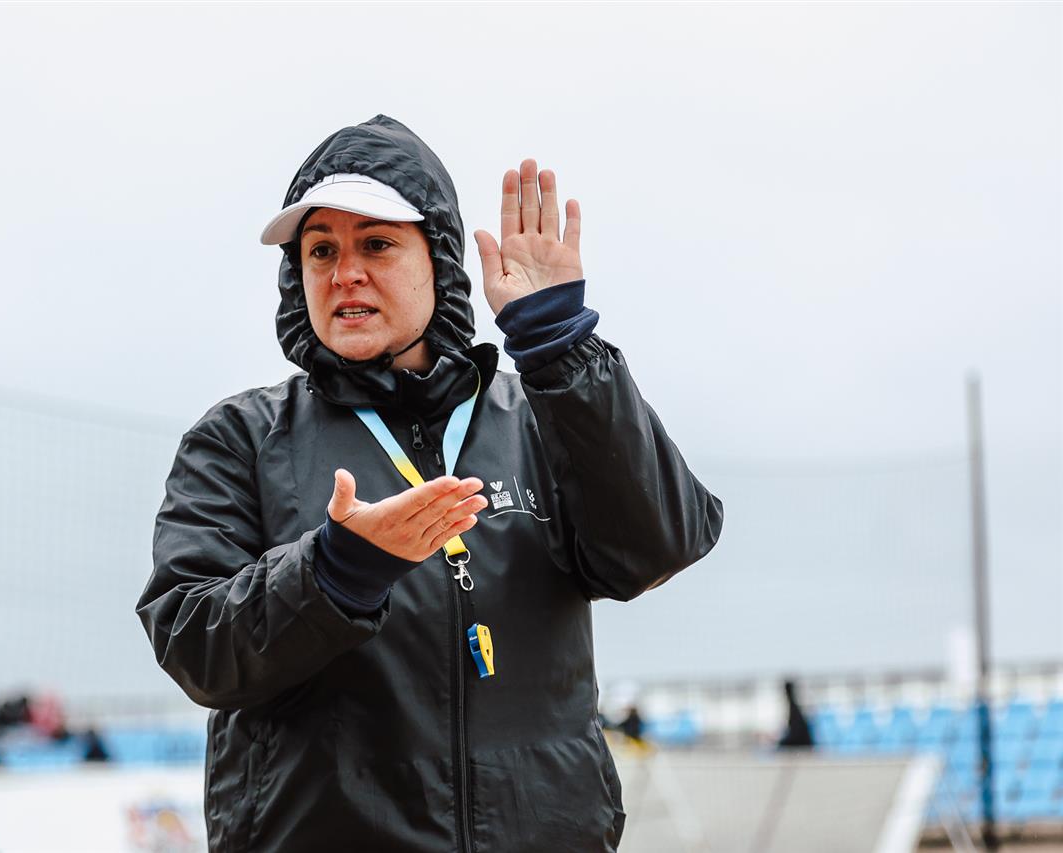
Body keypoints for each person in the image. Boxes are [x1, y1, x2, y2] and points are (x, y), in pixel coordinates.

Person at [137, 114, 723, 852]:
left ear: (440, 258)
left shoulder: (542, 414)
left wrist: (561, 349)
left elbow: (659, 545)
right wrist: (334, 574)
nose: (344, 272)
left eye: (376, 244)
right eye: (321, 250)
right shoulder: (240, 438)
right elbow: (193, 642)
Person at [777, 678, 815, 749]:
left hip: (803, 745)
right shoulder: (794, 708)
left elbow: (796, 733)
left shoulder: (794, 709)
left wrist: (782, 743)